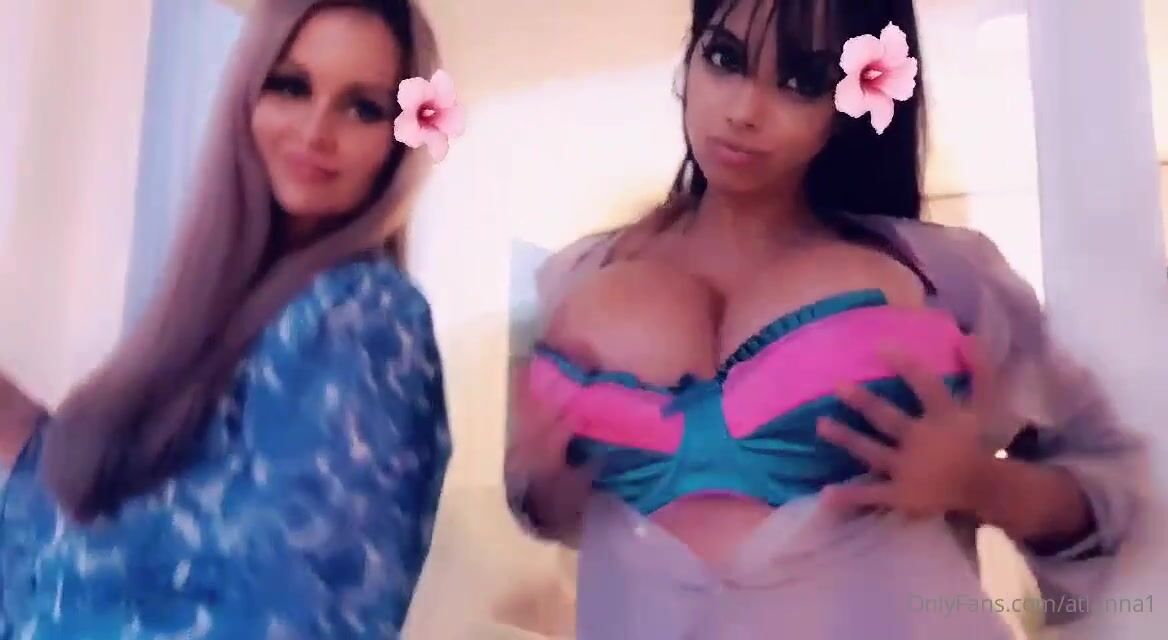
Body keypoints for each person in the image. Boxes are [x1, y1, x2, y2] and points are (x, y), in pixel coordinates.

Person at [504, 0, 1148, 638]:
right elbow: (554, 513)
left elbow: (1112, 503)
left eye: (801, 80)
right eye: (724, 58)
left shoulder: (947, 276)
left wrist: (980, 483)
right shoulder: (570, 280)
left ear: (849, 104)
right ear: (689, 57)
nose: (744, 110)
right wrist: (544, 491)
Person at [0, 1, 454, 637]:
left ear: (400, 141)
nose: (315, 131)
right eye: (291, 86)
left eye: (362, 107)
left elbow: (300, 616)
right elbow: (92, 559)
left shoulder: (367, 318)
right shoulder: (215, 322)